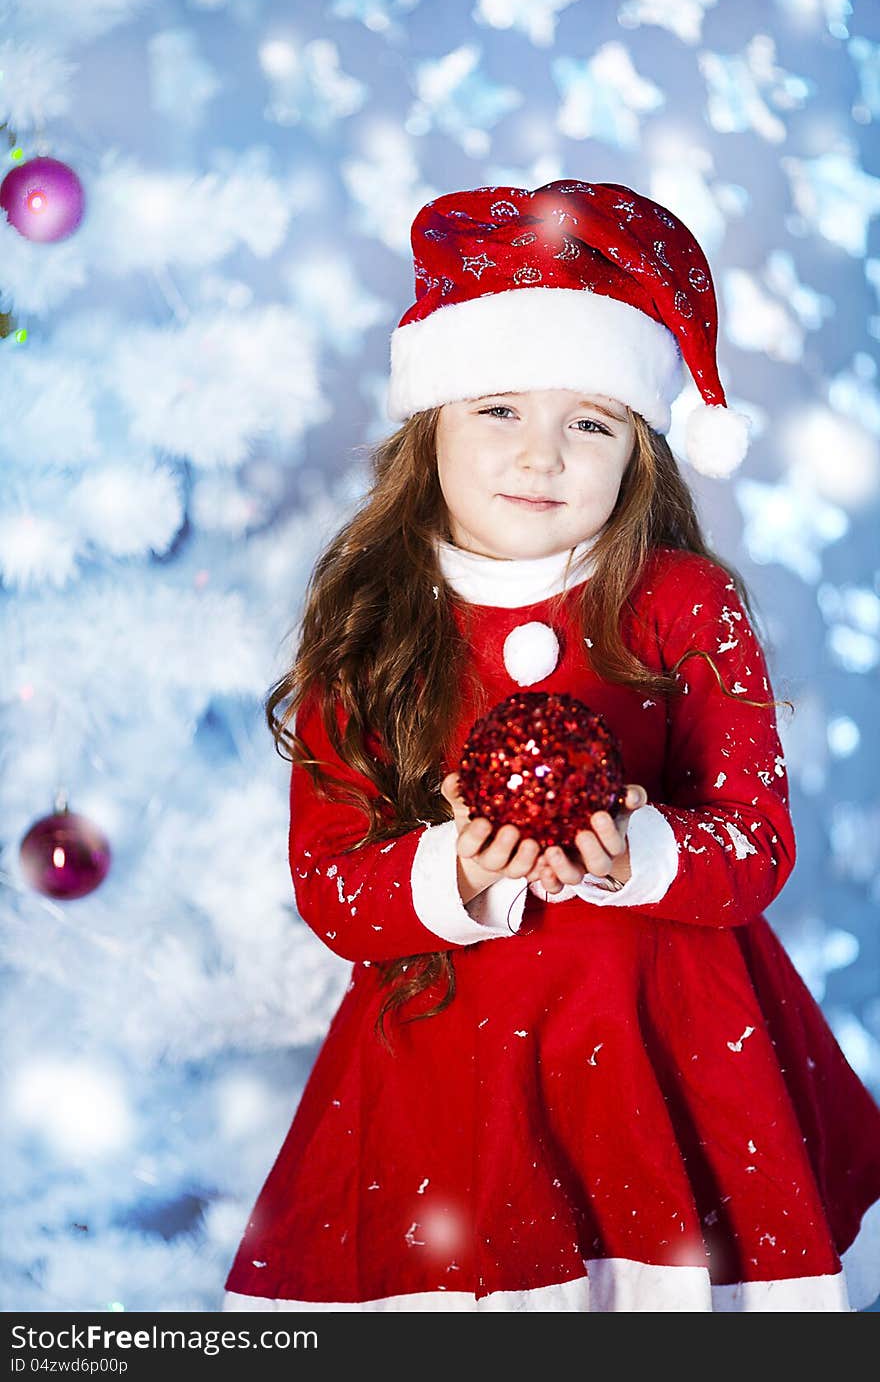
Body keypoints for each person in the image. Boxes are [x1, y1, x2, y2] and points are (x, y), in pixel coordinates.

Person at [222, 179, 880, 1312]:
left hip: (669, 1047)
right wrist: (458, 866)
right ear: (428, 426)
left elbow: (756, 846)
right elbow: (332, 885)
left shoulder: (684, 603)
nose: (541, 456)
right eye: (497, 410)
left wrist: (640, 850)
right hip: (448, 1067)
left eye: (590, 421)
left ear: (640, 454)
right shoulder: (374, 618)